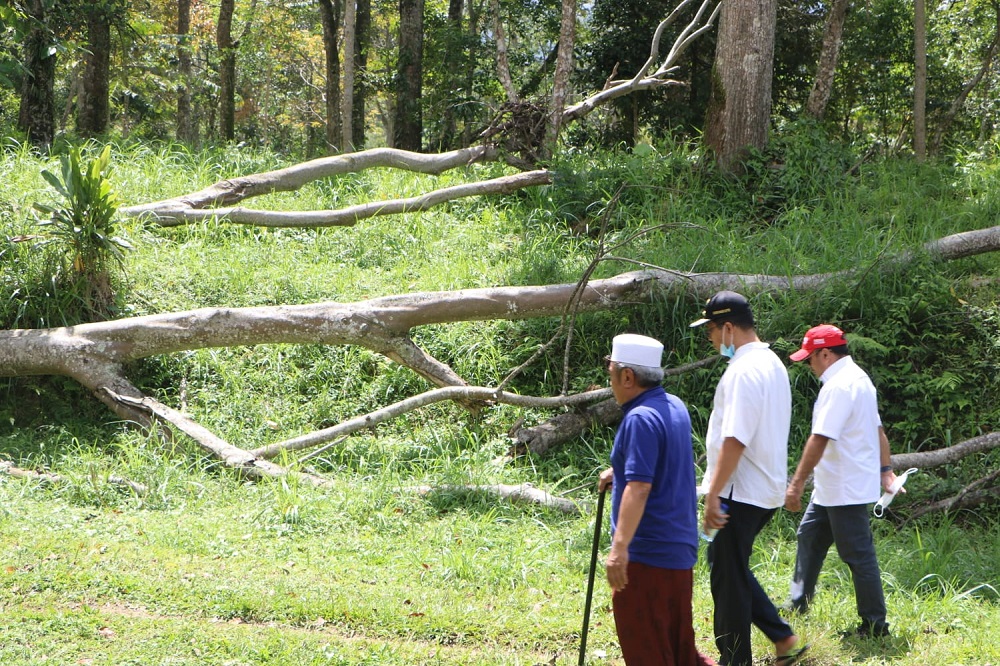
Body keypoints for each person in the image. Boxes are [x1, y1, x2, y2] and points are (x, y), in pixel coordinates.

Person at [688, 291, 806, 666]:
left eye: (710, 329)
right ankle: (783, 638)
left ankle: (734, 660)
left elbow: (735, 439)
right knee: (729, 566)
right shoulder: (772, 363)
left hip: (740, 490)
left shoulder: (743, 370)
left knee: (727, 581)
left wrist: (713, 494)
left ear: (727, 327)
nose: (709, 338)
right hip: (763, 487)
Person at [597, 333, 716, 666]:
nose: (610, 381)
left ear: (627, 376)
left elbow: (640, 487)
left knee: (649, 654)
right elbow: (658, 464)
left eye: (611, 372)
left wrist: (620, 549)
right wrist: (618, 470)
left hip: (647, 556)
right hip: (678, 552)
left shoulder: (639, 419)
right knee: (681, 653)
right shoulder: (672, 406)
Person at [784, 324, 896, 638]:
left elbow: (819, 438)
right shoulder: (859, 379)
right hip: (833, 484)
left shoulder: (839, 386)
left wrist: (796, 483)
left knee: (858, 555)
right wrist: (885, 469)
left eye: (810, 357)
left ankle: (875, 626)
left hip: (844, 486)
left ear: (825, 353)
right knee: (808, 536)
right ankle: (797, 602)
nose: (809, 364)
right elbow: (878, 429)